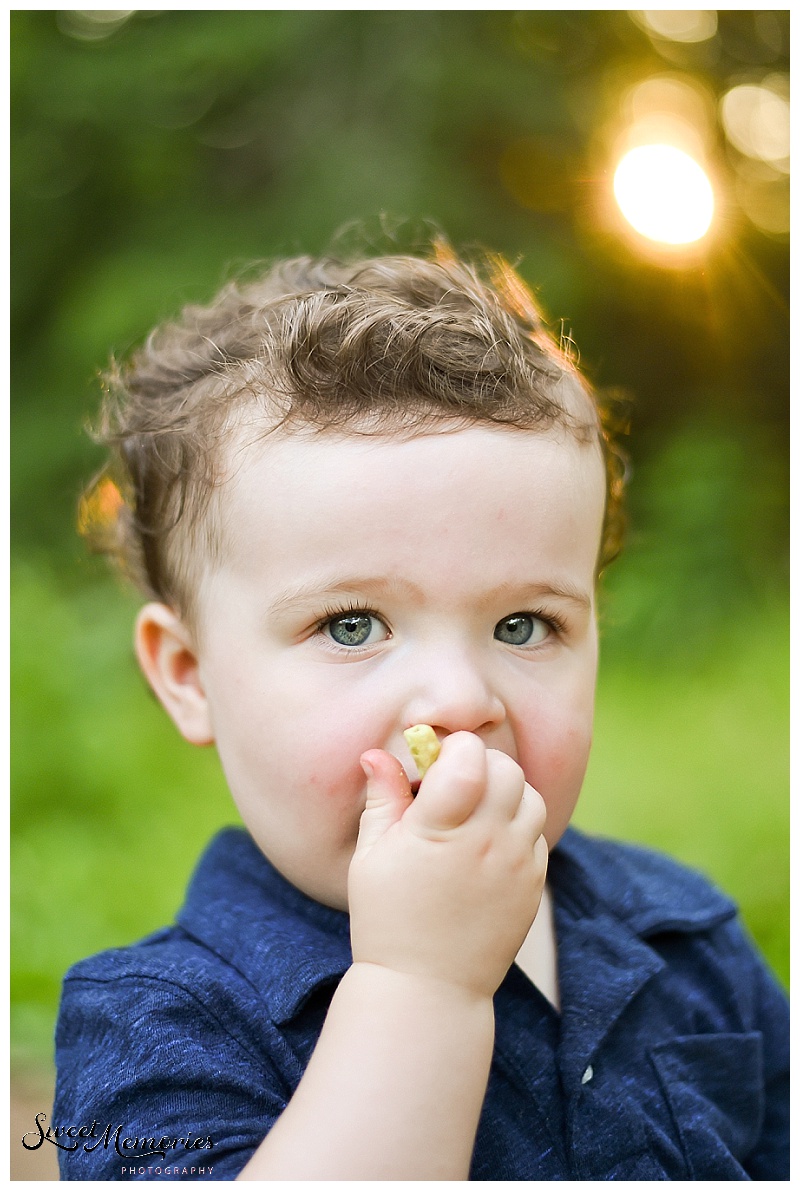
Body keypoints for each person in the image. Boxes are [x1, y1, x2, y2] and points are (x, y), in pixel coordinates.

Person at [54, 242, 789, 1180]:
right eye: (353, 624)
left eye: (525, 623)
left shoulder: (688, 942)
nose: (458, 701)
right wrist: (422, 987)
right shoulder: (155, 1024)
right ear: (190, 672)